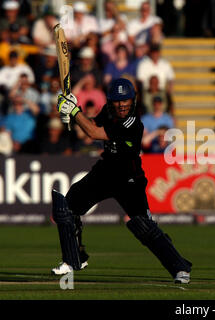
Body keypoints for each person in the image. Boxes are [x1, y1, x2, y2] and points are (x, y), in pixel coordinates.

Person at [51, 78, 192, 284]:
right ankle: (74, 258)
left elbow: (94, 133)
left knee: (143, 226)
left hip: (128, 179)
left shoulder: (133, 123)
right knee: (66, 208)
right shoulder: (108, 111)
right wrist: (71, 111)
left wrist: (73, 112)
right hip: (105, 172)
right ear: (110, 102)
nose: (121, 105)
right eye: (117, 101)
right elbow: (90, 126)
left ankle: (180, 268)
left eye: (125, 100)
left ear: (133, 100)